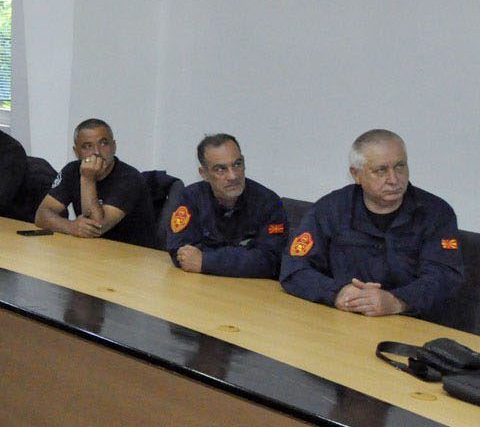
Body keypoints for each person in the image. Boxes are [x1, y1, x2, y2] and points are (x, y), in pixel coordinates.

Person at [280, 129, 462, 319]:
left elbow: (445, 277)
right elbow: (294, 268)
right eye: (381, 170)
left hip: (411, 322)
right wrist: (338, 293)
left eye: (400, 166)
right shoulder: (330, 209)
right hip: (343, 320)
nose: (393, 179)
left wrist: (397, 301)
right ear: (356, 174)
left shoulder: (436, 213)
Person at [165, 134, 288, 278]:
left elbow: (271, 261)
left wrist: (207, 261)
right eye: (220, 169)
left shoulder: (269, 202)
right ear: (204, 174)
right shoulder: (190, 197)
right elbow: (181, 253)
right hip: (200, 282)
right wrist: (244, 258)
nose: (233, 176)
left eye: (237, 164)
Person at [34, 118, 154, 247]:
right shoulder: (72, 170)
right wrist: (71, 226)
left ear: (114, 146)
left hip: (132, 253)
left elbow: (96, 228)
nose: (97, 152)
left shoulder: (129, 178)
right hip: (92, 250)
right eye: (87, 146)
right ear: (76, 152)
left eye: (103, 143)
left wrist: (87, 179)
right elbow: (42, 214)